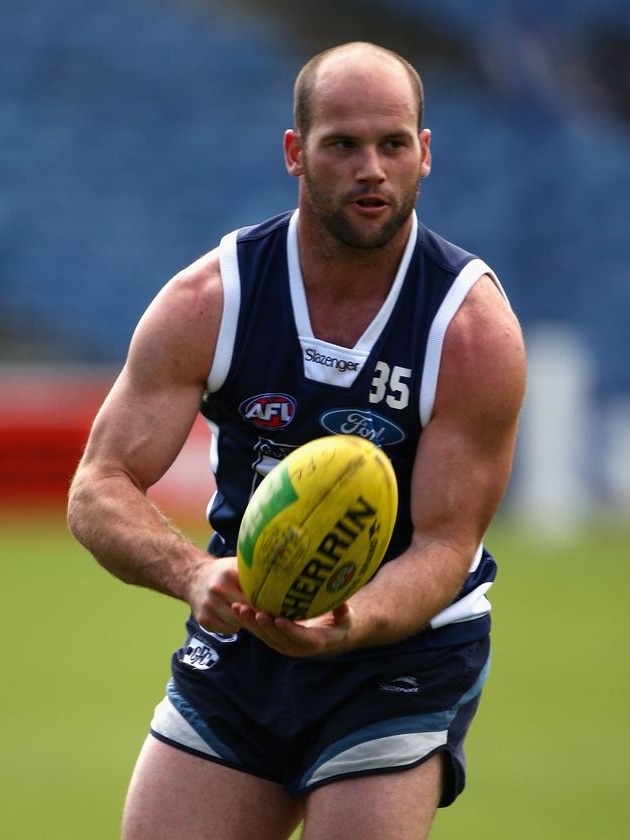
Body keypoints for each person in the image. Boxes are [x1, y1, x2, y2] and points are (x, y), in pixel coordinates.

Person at [67, 41, 526, 840]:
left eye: (392, 144)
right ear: (295, 153)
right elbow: (98, 485)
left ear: (425, 153)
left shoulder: (472, 331)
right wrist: (192, 575)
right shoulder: (212, 298)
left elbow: (447, 544)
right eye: (342, 144)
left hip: (401, 656)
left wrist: (349, 621)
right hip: (241, 637)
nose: (371, 168)